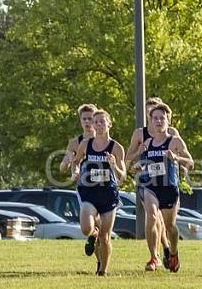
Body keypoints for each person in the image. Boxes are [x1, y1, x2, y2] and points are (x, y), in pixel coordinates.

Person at [134, 103, 193, 272]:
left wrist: (176, 157)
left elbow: (190, 161)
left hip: (169, 186)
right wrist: (138, 165)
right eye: (155, 118)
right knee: (151, 215)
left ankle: (173, 253)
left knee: (170, 227)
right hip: (150, 186)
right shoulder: (147, 143)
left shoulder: (174, 141)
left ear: (168, 120)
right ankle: (154, 257)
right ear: (151, 121)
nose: (159, 121)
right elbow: (141, 163)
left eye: (162, 118)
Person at [68, 109, 126, 275]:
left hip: (108, 194)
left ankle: (102, 271)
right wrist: (76, 171)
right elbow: (76, 161)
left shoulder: (116, 148)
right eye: (96, 122)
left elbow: (123, 176)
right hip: (90, 193)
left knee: (105, 236)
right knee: (86, 228)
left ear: (109, 124)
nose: (99, 125)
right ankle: (92, 234)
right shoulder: (85, 144)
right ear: (92, 126)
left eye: (102, 121)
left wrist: (114, 165)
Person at [126, 97, 180, 259]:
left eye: (159, 115)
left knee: (166, 223)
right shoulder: (139, 134)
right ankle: (154, 256)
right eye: (151, 114)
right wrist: (138, 156)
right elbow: (128, 159)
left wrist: (177, 162)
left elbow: (180, 154)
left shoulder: (172, 133)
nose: (156, 119)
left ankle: (167, 247)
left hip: (168, 182)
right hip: (146, 182)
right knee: (153, 216)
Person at [59, 103, 97, 176]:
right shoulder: (74, 143)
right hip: (84, 184)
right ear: (80, 120)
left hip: (104, 185)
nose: (87, 121)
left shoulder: (105, 141)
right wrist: (66, 163)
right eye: (84, 119)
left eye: (90, 118)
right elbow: (62, 169)